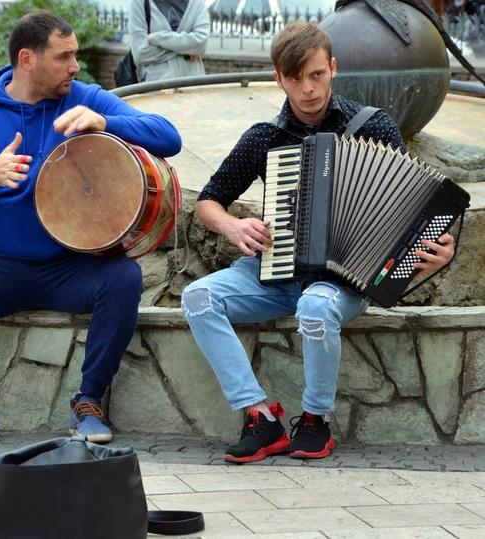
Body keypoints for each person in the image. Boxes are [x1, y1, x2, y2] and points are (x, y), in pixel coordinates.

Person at [0, 10, 181, 449]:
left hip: (71, 267)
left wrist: (106, 123)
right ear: (28, 59)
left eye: (75, 55)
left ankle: (88, 401)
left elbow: (169, 136)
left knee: (124, 276)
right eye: (64, 57)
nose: (75, 66)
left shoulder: (83, 97)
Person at [181, 22, 455, 463]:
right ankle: (260, 418)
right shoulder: (264, 139)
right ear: (278, 79)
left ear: (332, 68)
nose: (307, 89)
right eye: (294, 78)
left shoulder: (373, 126)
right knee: (197, 298)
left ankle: (314, 421)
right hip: (273, 273)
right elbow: (209, 201)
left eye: (316, 75)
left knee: (315, 305)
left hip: (340, 282)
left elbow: (414, 206)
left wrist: (438, 252)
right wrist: (233, 227)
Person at [129, 0, 210, 82]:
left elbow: (201, 43)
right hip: (157, 88)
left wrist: (157, 38)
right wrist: (187, 49)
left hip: (195, 87)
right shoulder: (140, 2)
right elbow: (140, 53)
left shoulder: (197, 2)